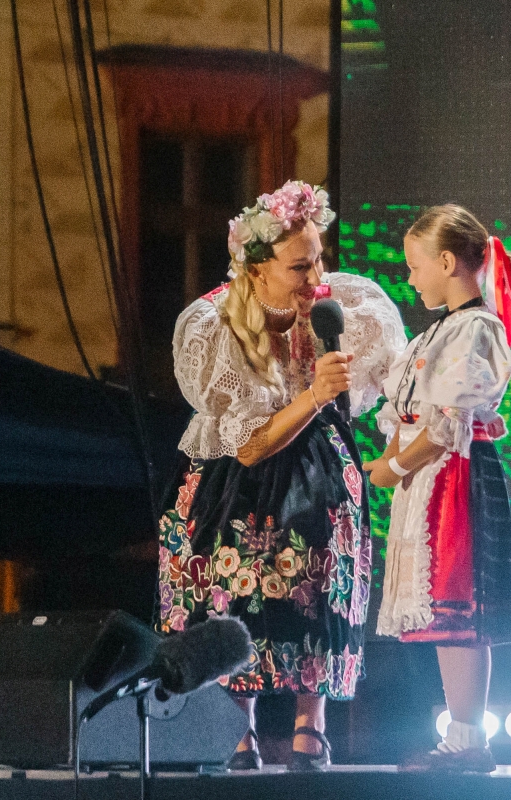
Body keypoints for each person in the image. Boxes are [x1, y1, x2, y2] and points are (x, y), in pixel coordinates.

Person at [158, 180, 406, 771]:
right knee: (230, 591)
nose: (315, 276)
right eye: (299, 266)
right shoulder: (214, 325)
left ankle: (309, 729)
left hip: (317, 462)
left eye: (318, 258)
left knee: (318, 582)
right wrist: (315, 394)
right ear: (257, 268)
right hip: (236, 475)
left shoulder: (341, 307)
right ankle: (236, 730)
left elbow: (399, 379)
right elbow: (248, 446)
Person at [364, 204, 511, 773]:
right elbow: (409, 413)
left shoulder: (476, 328)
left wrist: (395, 466)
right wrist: (387, 460)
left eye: (415, 266)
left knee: (458, 610)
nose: (410, 278)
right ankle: (461, 737)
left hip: (454, 476)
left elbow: (445, 425)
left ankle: (468, 740)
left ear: (445, 262)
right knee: (441, 613)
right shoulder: (437, 332)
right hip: (429, 479)